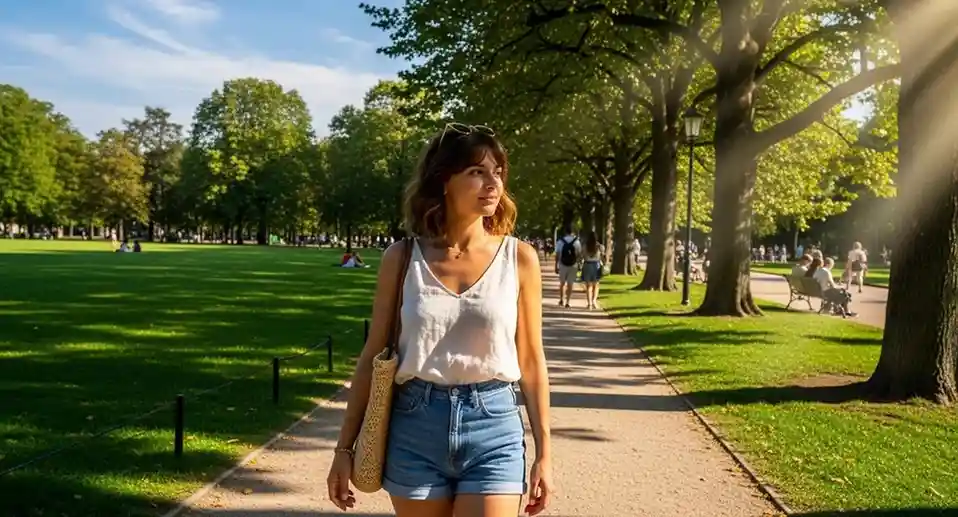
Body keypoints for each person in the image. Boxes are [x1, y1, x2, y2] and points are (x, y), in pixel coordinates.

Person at [326, 123, 552, 517]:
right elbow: (372, 353)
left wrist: (545, 455)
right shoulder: (401, 258)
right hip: (415, 425)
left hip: (494, 425)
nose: (492, 183)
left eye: (498, 171)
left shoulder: (519, 259)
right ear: (445, 180)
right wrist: (344, 449)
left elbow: (532, 361)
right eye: (477, 172)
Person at [554, 223, 581, 308]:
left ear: (565, 232)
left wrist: (556, 265)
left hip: (563, 264)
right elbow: (579, 254)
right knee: (570, 284)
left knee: (562, 283)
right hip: (573, 264)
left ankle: (561, 299)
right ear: (572, 232)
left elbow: (557, 254)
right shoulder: (576, 241)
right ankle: (568, 301)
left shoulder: (560, 241)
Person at [579, 231, 604, 310]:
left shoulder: (585, 246)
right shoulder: (600, 246)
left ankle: (589, 303)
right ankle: (594, 301)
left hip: (587, 265)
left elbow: (581, 256)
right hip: (596, 265)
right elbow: (603, 256)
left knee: (588, 286)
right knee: (596, 285)